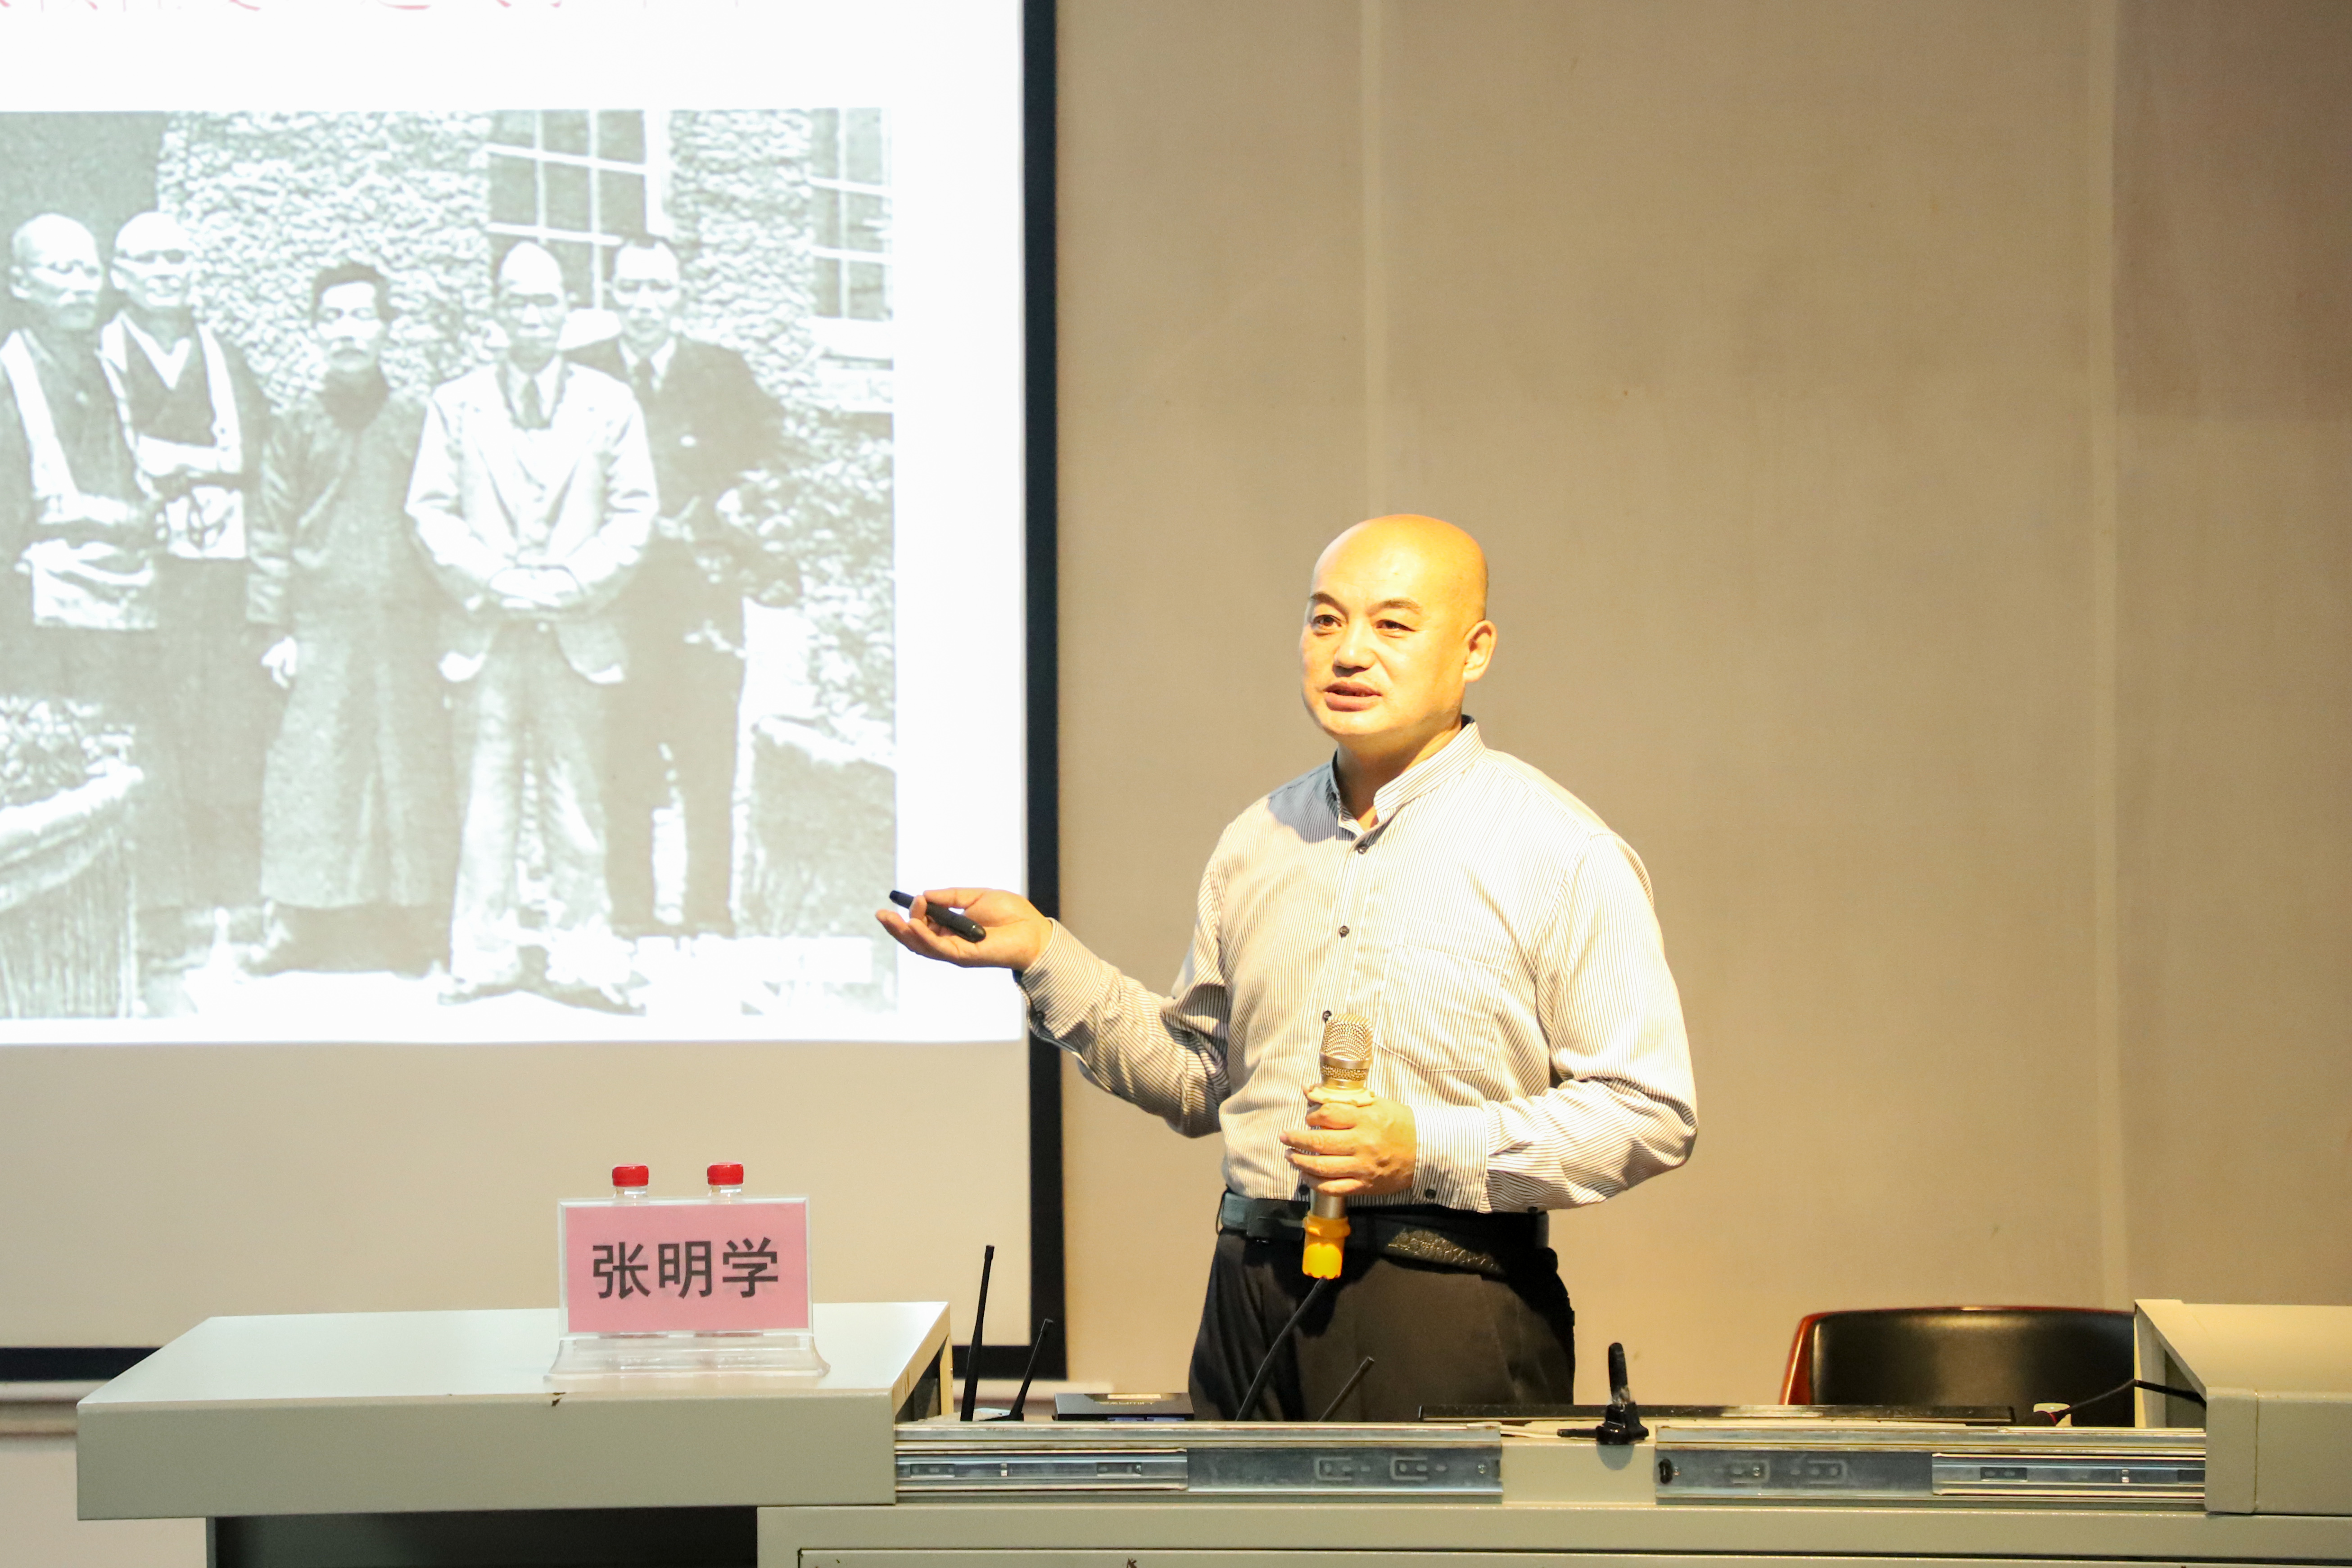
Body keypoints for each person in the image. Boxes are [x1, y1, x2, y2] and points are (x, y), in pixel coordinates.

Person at [879, 515, 1698, 1420]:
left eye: (1392, 624)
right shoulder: (1256, 841)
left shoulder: (1560, 851)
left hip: (1443, 1295)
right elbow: (1201, 1081)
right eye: (1324, 620)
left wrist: (1424, 1148)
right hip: (1247, 1290)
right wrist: (1042, 953)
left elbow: (1649, 1110)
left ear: (1475, 650)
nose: (1349, 652)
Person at [407, 241, 655, 1012]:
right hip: (486, 634)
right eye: (518, 301)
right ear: (497, 312)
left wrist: (571, 585)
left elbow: (635, 512)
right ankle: (483, 957)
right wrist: (496, 581)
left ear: (569, 312)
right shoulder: (456, 404)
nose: (534, 316)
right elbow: (429, 511)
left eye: (547, 301)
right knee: (484, 805)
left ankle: (583, 957)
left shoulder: (610, 403)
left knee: (576, 804)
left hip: (576, 634)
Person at [244, 262, 455, 976]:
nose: (347, 331)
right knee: (311, 769)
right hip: (320, 628)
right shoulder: (295, 426)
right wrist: (274, 629)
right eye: (332, 317)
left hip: (406, 628)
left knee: (408, 765)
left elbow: (446, 522)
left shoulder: (418, 423)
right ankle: (296, 923)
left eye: (362, 316)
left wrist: (450, 627)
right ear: (314, 330)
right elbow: (271, 529)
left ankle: (415, 922)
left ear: (387, 329)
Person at [569, 235, 779, 940]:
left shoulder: (722, 374)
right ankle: (630, 914)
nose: (644, 304)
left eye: (658, 288)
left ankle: (709, 914)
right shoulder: (584, 374)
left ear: (680, 295)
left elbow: (769, 464)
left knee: (707, 760)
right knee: (624, 759)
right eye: (631, 288)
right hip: (617, 601)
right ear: (611, 294)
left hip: (700, 599)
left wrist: (735, 512)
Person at [0, 215, 190, 960]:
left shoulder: (108, 371)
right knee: (60, 770)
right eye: (60, 270)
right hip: (43, 610)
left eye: (88, 270)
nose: (80, 286)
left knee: (132, 757)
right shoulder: (11, 376)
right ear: (21, 284)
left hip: (126, 596)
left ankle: (143, 922)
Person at [100, 211, 277, 963]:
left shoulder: (221, 356)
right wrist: (204, 462)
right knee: (157, 724)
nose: (167, 272)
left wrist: (184, 463)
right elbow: (113, 456)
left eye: (178, 258)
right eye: (149, 260)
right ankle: (162, 904)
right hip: (145, 571)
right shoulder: (101, 356)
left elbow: (255, 453)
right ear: (120, 275)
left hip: (223, 569)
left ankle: (234, 894)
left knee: (229, 722)